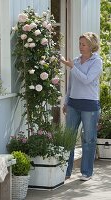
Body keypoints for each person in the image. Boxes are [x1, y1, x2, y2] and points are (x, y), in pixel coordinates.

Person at [60, 32, 103, 181]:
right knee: (68, 139)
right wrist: (66, 102)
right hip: (73, 104)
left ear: (91, 46)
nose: (81, 47)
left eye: (84, 44)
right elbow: (71, 85)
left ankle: (86, 172)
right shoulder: (77, 61)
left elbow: (87, 80)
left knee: (89, 139)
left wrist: (72, 67)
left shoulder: (97, 62)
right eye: (80, 44)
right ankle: (65, 171)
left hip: (90, 105)